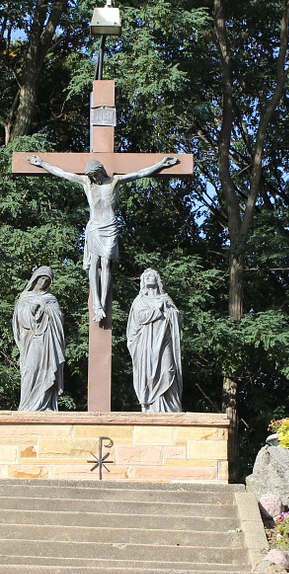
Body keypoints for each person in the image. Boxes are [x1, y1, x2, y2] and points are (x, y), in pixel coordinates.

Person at [26, 154, 178, 323]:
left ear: (101, 171)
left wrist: (161, 164)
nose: (94, 178)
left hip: (110, 227)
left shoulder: (115, 181)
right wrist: (42, 164)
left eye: (96, 175)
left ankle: (104, 302)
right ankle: (96, 303)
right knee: (94, 263)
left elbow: (139, 173)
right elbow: (63, 173)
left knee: (106, 264)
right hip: (95, 227)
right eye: (92, 176)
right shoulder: (87, 183)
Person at [126, 268, 183, 413]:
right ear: (142, 282)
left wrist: (170, 312)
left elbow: (178, 318)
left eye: (151, 276)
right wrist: (158, 310)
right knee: (149, 375)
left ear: (157, 280)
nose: (148, 278)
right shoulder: (140, 300)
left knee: (168, 370)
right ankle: (152, 407)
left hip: (164, 341)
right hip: (147, 345)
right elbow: (139, 318)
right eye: (145, 277)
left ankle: (170, 407)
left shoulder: (166, 298)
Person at [13, 266, 65, 411]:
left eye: (47, 280)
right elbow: (20, 319)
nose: (43, 282)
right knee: (31, 369)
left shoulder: (51, 299)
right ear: (35, 279)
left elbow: (59, 318)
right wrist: (31, 311)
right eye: (42, 278)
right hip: (33, 340)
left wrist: (46, 309)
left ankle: (45, 404)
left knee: (48, 370)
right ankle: (27, 404)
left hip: (49, 341)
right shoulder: (26, 297)